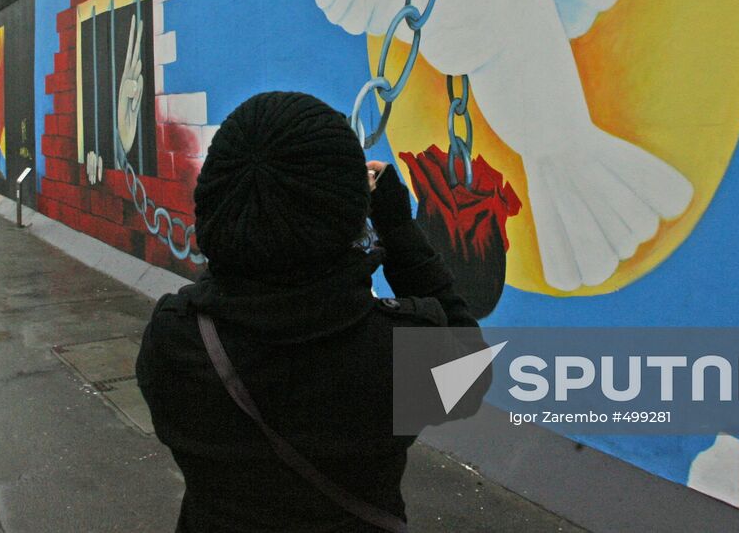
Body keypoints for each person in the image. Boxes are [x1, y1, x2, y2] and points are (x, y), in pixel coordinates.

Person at [135, 91, 480, 532]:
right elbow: (470, 373)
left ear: (218, 203)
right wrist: (395, 226)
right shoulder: (395, 353)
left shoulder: (174, 340)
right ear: (349, 213)